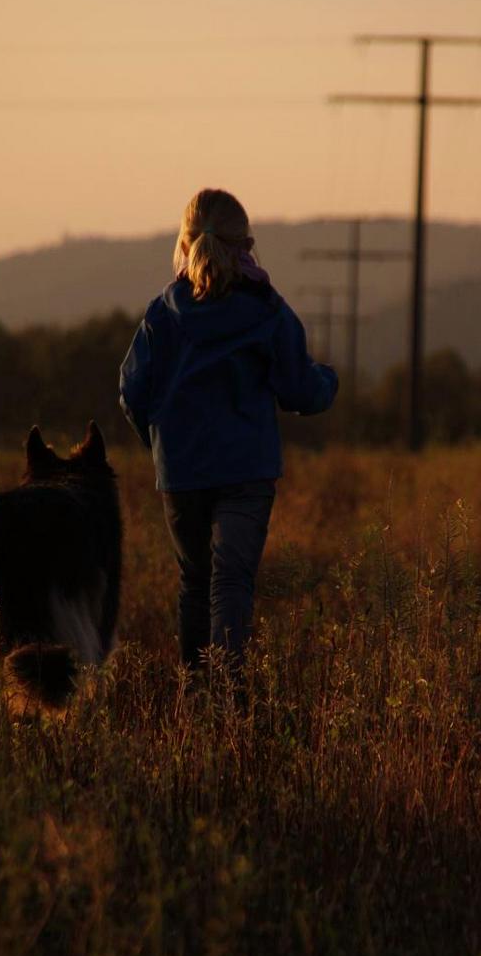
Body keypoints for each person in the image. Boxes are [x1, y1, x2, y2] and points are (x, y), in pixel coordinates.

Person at [119, 188, 337, 681]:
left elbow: (131, 392)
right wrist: (330, 381)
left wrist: (158, 446)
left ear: (184, 243)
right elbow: (300, 389)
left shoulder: (161, 314)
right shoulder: (268, 312)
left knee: (195, 584)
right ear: (248, 245)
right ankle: (227, 703)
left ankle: (196, 702)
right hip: (246, 471)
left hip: (182, 474)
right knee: (232, 583)